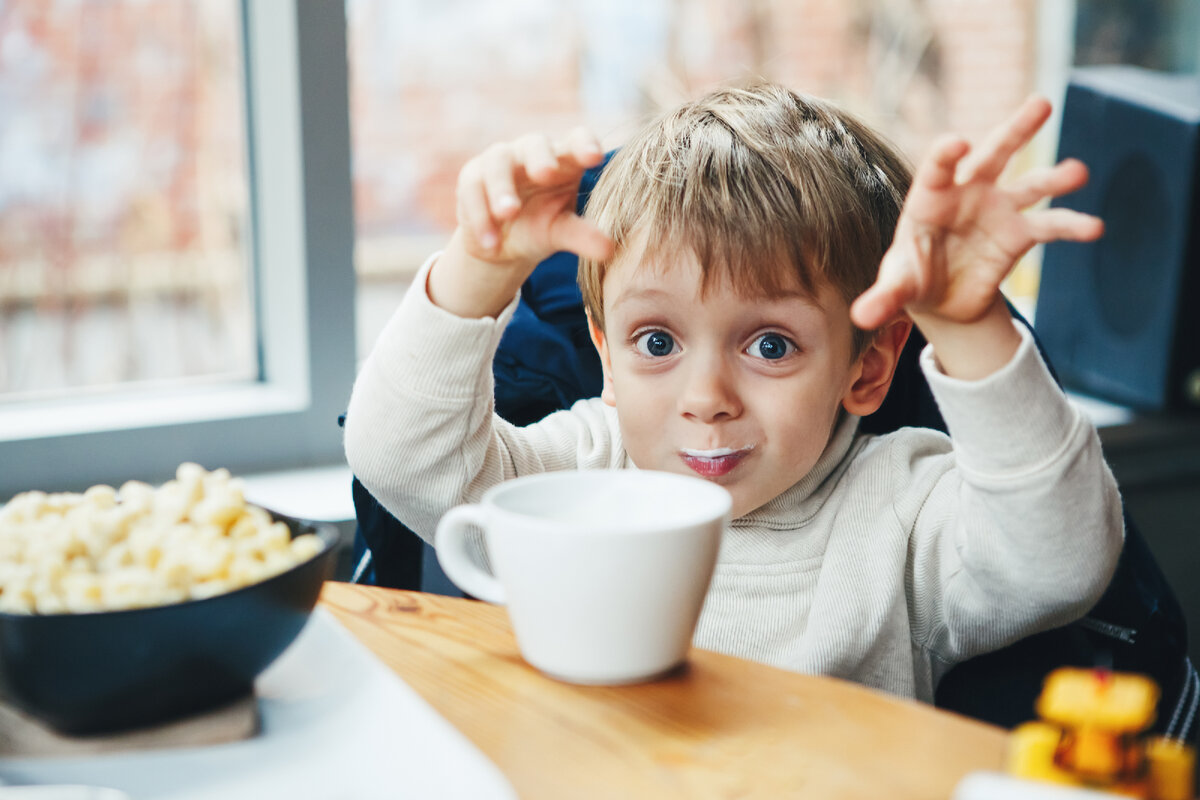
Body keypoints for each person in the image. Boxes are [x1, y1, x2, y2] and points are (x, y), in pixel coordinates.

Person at [344, 83, 1124, 703]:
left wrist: (969, 326)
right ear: (605, 355)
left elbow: (1059, 562)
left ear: (868, 368)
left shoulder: (903, 508)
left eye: (771, 345)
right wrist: (477, 269)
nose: (707, 397)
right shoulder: (578, 471)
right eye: (657, 343)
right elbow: (402, 460)